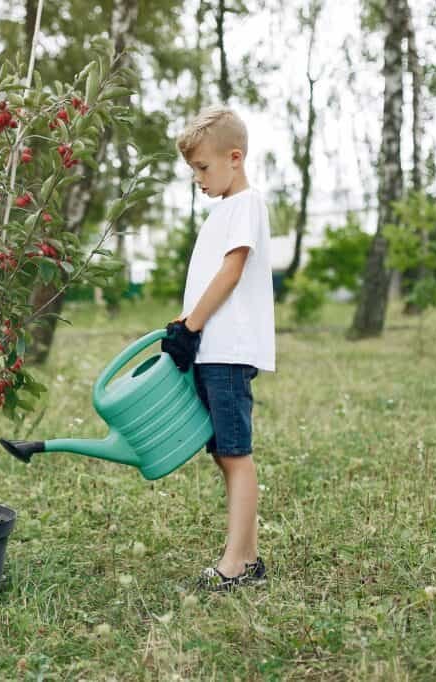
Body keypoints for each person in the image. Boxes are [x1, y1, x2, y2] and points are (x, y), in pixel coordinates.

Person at [161, 106, 276, 591]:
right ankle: (246, 557)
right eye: (193, 171)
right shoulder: (223, 211)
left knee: (235, 454)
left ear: (235, 158)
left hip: (228, 349)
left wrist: (192, 325)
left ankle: (235, 563)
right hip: (212, 348)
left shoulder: (246, 204)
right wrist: (186, 326)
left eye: (203, 168)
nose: (198, 179)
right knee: (223, 453)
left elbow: (231, 272)